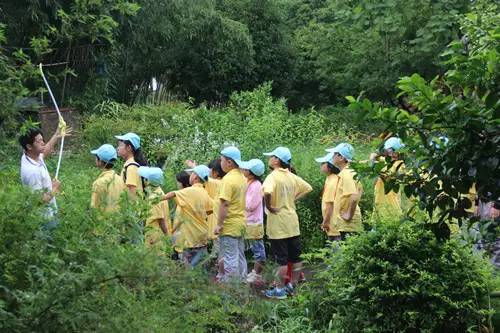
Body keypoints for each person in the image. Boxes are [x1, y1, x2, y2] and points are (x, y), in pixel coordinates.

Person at [262, 146, 312, 299]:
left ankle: (279, 289)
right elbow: (308, 188)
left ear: (277, 160)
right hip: (292, 222)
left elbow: (267, 192)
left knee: (281, 260)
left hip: (278, 224)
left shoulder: (273, 176)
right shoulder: (291, 176)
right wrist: (292, 199)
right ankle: (292, 287)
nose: (269, 158)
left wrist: (270, 206)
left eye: (272, 156)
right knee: (295, 257)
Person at [19, 126, 71, 228]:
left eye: (42, 139)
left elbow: (44, 152)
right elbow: (38, 200)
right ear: (29, 146)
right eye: (39, 141)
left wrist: (56, 135)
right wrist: (54, 189)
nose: (43, 143)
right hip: (44, 218)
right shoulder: (32, 172)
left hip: (50, 211)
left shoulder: (30, 156)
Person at [162, 165, 213, 268]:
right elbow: (210, 210)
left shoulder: (189, 191)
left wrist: (157, 199)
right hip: (202, 234)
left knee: (188, 264)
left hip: (190, 237)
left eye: (192, 173)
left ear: (195, 177)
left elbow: (173, 194)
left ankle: (191, 281)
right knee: (200, 264)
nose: (190, 176)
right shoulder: (204, 192)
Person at [214, 146, 248, 282]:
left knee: (230, 257)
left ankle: (231, 288)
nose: (220, 163)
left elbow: (224, 204)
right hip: (240, 223)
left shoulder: (228, 180)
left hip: (229, 224)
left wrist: (219, 224)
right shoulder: (242, 177)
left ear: (229, 162)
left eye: (221, 160)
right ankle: (242, 282)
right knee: (239, 255)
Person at [326, 143, 362, 241]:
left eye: (335, 154)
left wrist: (348, 215)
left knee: (347, 253)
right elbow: (359, 191)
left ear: (341, 157)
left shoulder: (347, 174)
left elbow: (354, 197)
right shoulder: (348, 172)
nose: (332, 156)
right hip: (347, 224)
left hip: (348, 224)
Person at [239, 158, 267, 284]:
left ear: (251, 173)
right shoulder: (248, 182)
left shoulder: (256, 186)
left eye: (245, 169)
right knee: (246, 249)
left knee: (258, 250)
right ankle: (252, 273)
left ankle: (257, 274)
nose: (242, 170)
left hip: (254, 223)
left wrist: (238, 201)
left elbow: (250, 205)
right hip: (247, 222)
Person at [370, 137, 405, 222]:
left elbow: (388, 175)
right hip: (379, 206)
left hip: (391, 209)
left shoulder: (400, 165)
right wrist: (377, 154)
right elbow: (372, 155)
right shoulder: (383, 161)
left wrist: (375, 163)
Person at [138, 166, 170, 248]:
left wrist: (167, 236)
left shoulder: (154, 198)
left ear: (148, 181)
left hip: (154, 236)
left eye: (145, 178)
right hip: (157, 233)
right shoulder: (159, 192)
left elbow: (160, 219)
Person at [315, 152, 342, 244]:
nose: (321, 165)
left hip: (333, 224)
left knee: (336, 252)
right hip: (333, 223)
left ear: (330, 167)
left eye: (323, 163)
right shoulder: (330, 178)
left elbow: (330, 204)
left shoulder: (332, 181)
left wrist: (325, 222)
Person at [90, 144, 125, 213]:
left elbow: (94, 208)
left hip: (103, 221)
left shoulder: (99, 183)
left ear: (99, 161)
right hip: (118, 220)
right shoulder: (120, 179)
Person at [115, 132, 148, 201]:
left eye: (120, 145)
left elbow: (132, 195)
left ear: (129, 148)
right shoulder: (130, 165)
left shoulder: (131, 167)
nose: (117, 148)